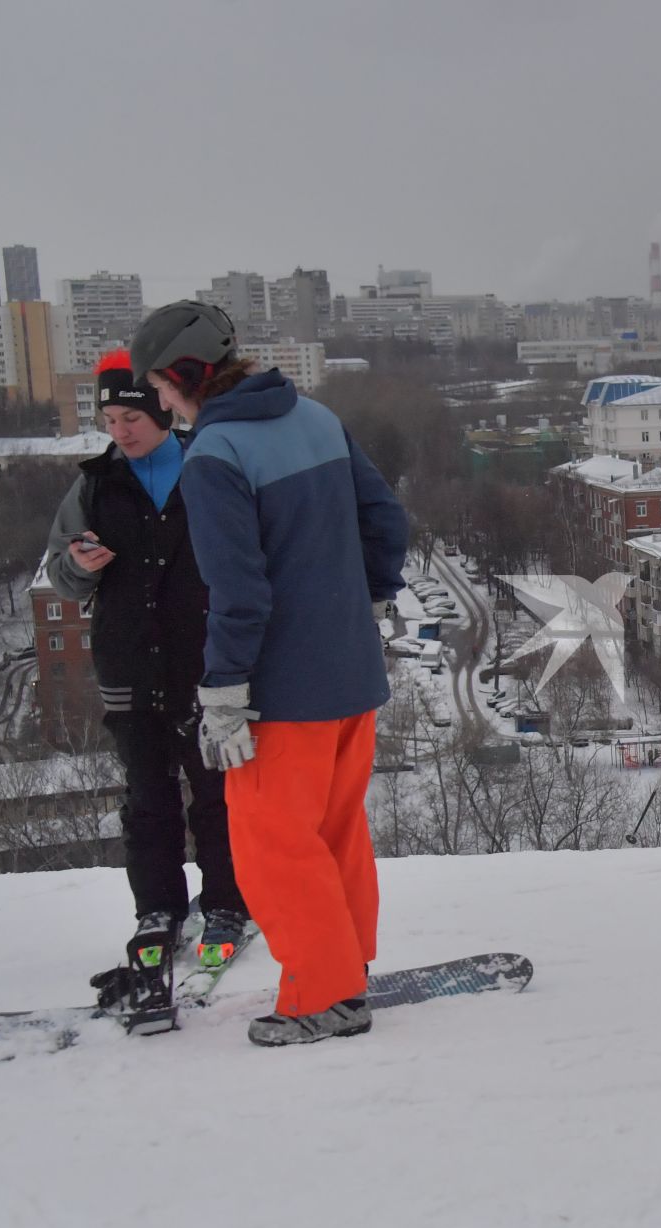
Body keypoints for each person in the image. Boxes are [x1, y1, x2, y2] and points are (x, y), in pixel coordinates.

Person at [129, 301, 409, 1047]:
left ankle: (325, 995)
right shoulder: (316, 418)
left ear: (185, 373)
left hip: (283, 694)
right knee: (335, 831)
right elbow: (386, 522)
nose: (156, 400)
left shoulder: (216, 455)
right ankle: (345, 969)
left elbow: (240, 592)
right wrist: (367, 597)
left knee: (274, 848)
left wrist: (223, 692)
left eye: (157, 383)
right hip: (351, 676)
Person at [44, 350, 249, 975]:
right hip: (129, 667)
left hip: (205, 666)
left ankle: (229, 905)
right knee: (147, 797)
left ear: (161, 405)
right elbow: (60, 576)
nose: (119, 430)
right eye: (108, 419)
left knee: (218, 795)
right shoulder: (94, 485)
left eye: (128, 416)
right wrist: (78, 567)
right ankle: (157, 911)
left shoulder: (209, 467)